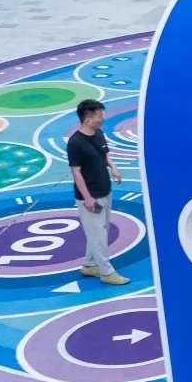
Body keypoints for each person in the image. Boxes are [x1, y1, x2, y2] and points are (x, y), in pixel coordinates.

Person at [67, 98, 129, 286]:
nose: (103, 118)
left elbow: (104, 154)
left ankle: (89, 264)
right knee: (98, 236)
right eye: (99, 115)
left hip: (105, 190)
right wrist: (87, 197)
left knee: (100, 231)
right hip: (91, 195)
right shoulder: (75, 143)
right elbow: (76, 173)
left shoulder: (99, 134)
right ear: (87, 119)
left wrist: (113, 167)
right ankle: (106, 272)